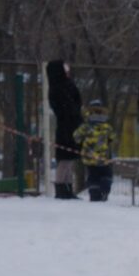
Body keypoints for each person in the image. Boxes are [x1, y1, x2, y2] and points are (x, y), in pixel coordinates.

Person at [46, 60, 82, 199]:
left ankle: (67, 186)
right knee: (65, 158)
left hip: (70, 124)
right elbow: (68, 106)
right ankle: (62, 187)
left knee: (69, 158)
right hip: (66, 126)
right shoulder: (60, 87)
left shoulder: (63, 85)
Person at [72, 99, 116, 202]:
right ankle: (105, 190)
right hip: (104, 158)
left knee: (93, 177)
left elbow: (76, 137)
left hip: (89, 158)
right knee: (106, 175)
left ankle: (94, 195)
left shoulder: (85, 127)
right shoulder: (107, 127)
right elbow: (112, 138)